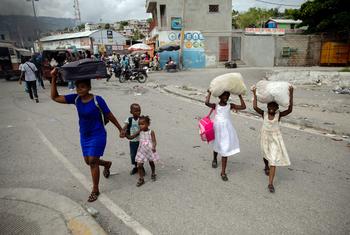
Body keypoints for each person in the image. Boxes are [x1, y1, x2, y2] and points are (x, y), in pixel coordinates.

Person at [50, 68, 124, 202]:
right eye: (78, 87)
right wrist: (54, 78)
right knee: (88, 161)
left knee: (92, 162)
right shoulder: (76, 99)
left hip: (98, 134)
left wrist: (120, 129)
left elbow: (109, 115)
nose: (80, 90)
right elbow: (55, 97)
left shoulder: (97, 100)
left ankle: (95, 189)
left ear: (89, 87)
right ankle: (107, 164)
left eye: (83, 87)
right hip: (84, 135)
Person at [251, 86, 293, 193]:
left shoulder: (279, 115)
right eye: (270, 105)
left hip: (275, 139)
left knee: (273, 161)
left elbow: (289, 110)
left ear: (277, 107)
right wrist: (255, 93)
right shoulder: (263, 114)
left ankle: (270, 183)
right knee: (265, 155)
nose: (272, 108)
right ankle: (266, 166)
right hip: (265, 137)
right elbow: (255, 107)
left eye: (274, 106)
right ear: (267, 106)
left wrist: (291, 94)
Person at [205, 91, 246, 181]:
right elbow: (206, 103)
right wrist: (210, 93)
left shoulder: (230, 105)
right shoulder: (216, 106)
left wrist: (240, 96)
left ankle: (223, 172)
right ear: (219, 97)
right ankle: (215, 159)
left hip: (227, 130)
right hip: (217, 128)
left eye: (227, 95)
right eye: (224, 95)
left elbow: (243, 107)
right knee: (216, 145)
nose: (226, 97)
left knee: (225, 149)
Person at [135, 116, 159, 187]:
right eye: (139, 124)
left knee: (151, 162)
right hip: (141, 150)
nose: (140, 126)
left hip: (149, 150)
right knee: (139, 165)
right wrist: (126, 135)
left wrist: (154, 146)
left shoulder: (151, 132)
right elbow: (132, 136)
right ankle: (141, 178)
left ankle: (153, 173)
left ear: (148, 124)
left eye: (142, 124)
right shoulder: (140, 131)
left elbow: (154, 141)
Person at [121, 104, 141, 175]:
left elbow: (142, 128)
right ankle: (136, 167)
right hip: (133, 142)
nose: (138, 112)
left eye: (139, 111)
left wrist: (132, 135)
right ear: (131, 112)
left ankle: (141, 167)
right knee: (133, 155)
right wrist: (123, 132)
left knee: (141, 155)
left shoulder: (141, 119)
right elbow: (125, 127)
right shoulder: (129, 119)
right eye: (136, 111)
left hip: (141, 141)